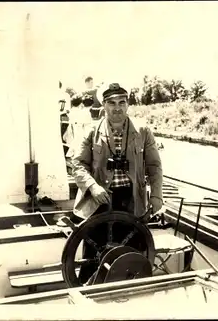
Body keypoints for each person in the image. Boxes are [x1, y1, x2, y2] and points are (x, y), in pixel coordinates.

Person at [69, 82, 163, 284]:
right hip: (98, 202)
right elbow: (77, 164)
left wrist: (156, 196)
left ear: (128, 104)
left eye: (122, 102)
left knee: (133, 254)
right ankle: (89, 291)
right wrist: (92, 187)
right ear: (104, 105)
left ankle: (132, 292)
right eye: (111, 103)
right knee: (94, 258)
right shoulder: (91, 131)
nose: (117, 107)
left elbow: (154, 166)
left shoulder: (143, 131)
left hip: (132, 201)